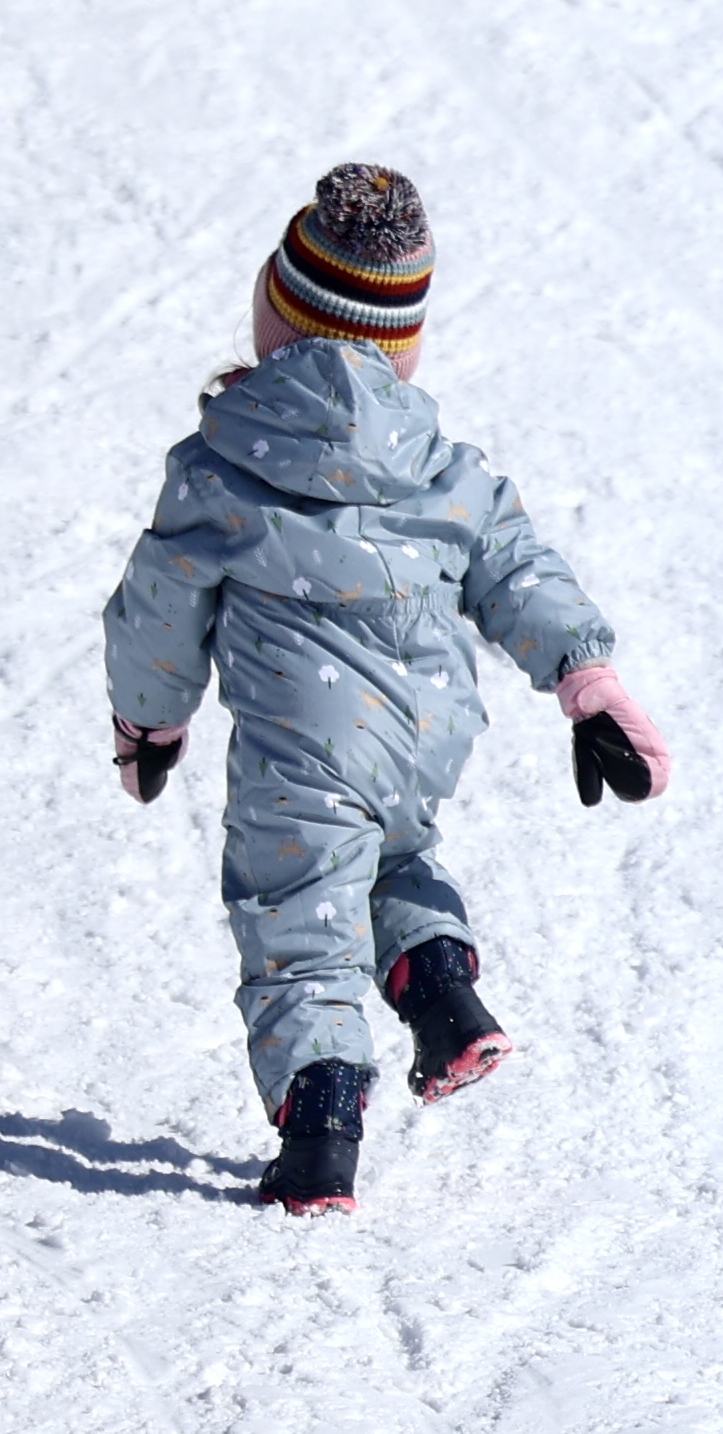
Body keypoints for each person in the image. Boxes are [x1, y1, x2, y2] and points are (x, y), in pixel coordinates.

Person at [102, 163, 676, 1215]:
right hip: (422, 731)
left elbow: (157, 607)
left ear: (275, 319)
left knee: (295, 916)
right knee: (391, 852)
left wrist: (150, 718)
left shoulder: (223, 463)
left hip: (302, 745)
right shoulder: (442, 464)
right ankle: (444, 997)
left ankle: (319, 1131)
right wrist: (583, 675)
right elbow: (517, 565)